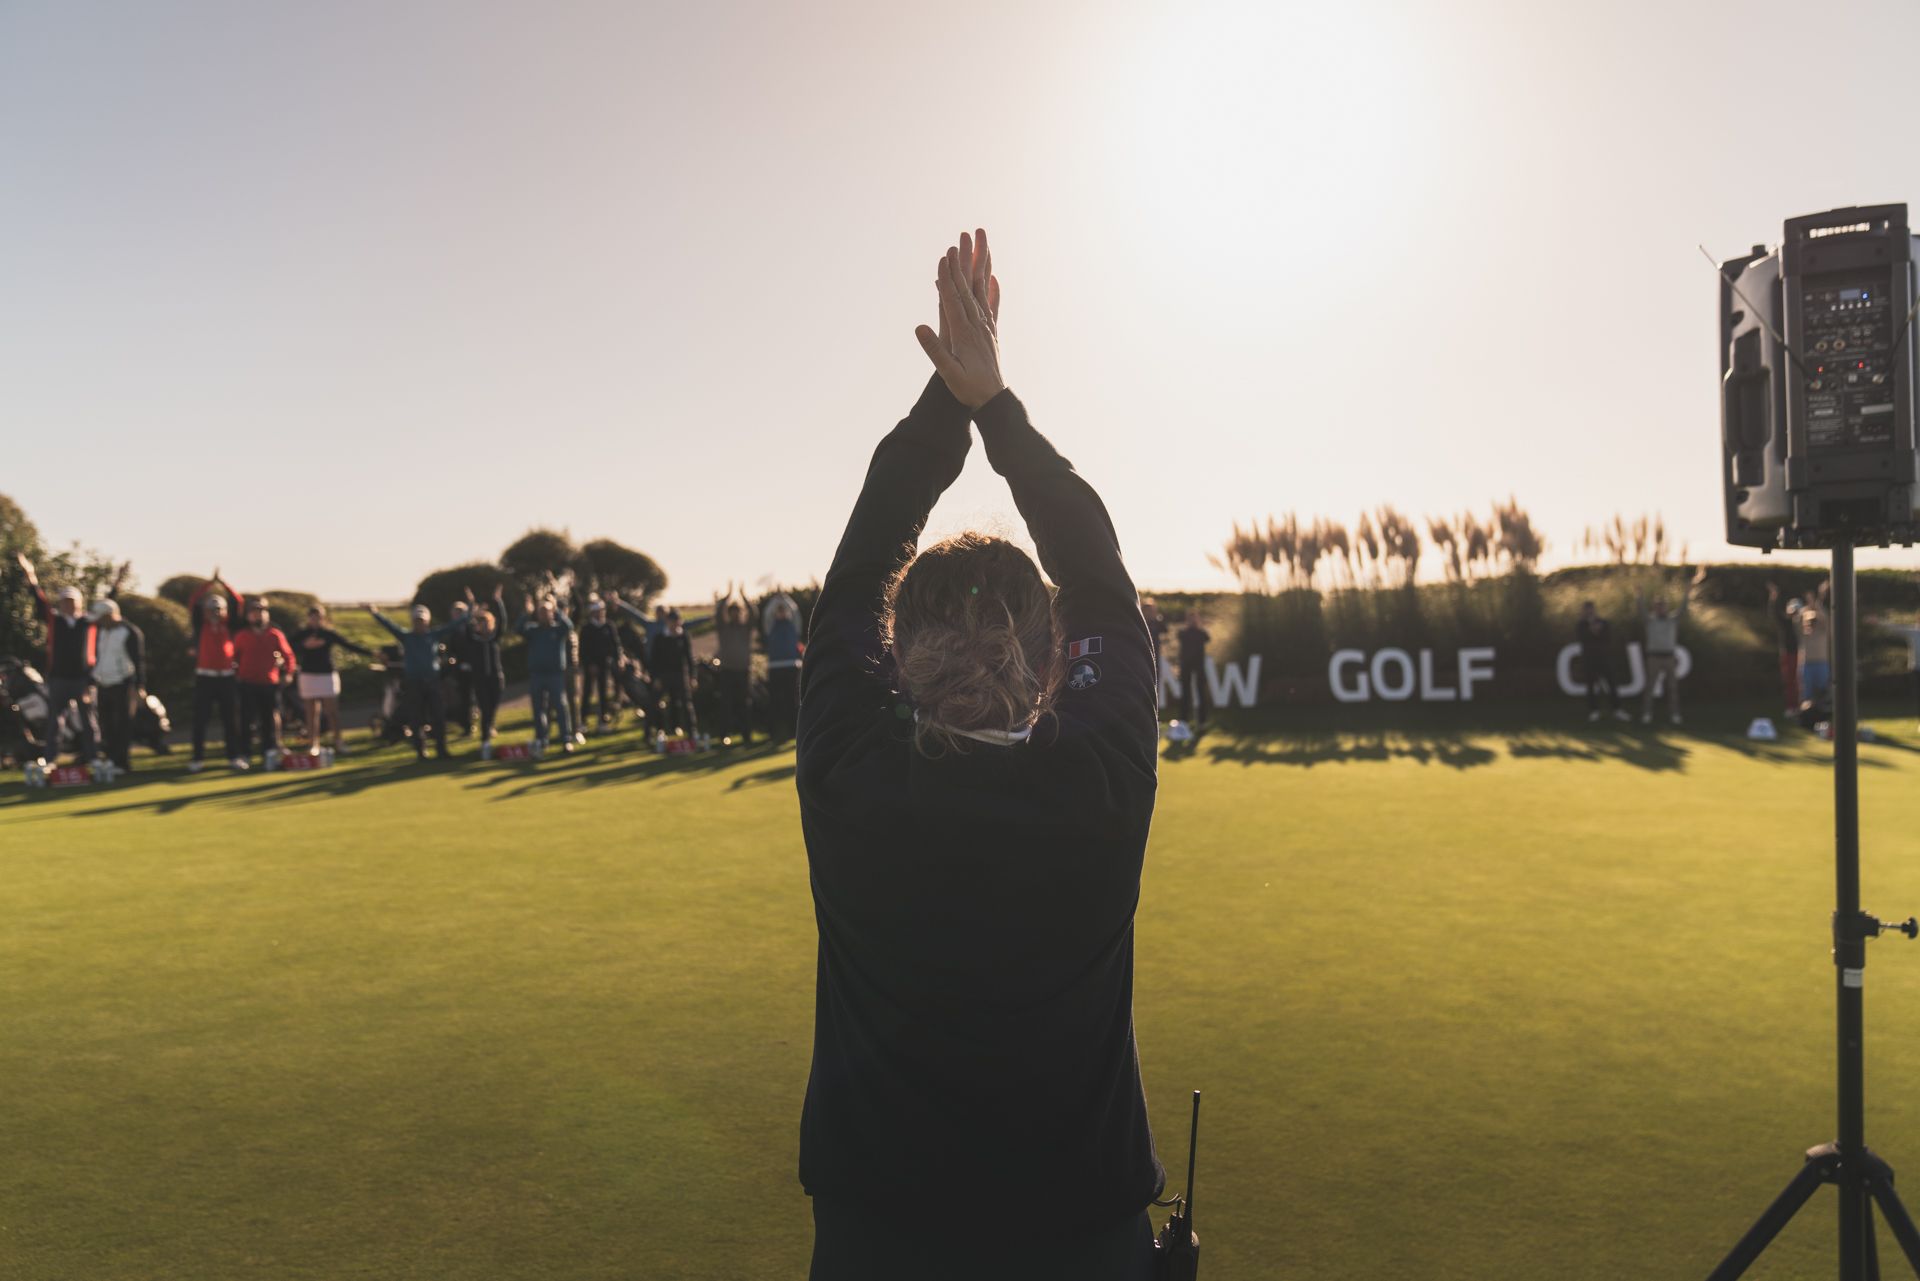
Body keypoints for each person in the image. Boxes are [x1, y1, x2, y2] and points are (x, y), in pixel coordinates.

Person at [795, 230, 1161, 1277]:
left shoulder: (852, 772)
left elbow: (859, 564)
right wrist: (993, 404)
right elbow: (1102, 579)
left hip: (879, 1236)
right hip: (1082, 1234)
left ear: (897, 655)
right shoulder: (1098, 783)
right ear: (1049, 662)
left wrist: (951, 406)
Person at [14, 552, 121, 766]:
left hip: (84, 679)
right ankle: (50, 758)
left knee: (89, 721)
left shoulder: (88, 622)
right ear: (61, 603)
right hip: (59, 679)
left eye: (72, 601)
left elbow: (108, 601)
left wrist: (118, 580)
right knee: (56, 721)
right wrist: (29, 573)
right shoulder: (54, 620)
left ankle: (93, 757)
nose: (68, 605)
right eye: (65, 601)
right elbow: (38, 598)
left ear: (79, 603)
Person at [366, 602, 462, 761]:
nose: (419, 623)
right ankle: (420, 751)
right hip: (414, 683)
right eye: (417, 620)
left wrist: (469, 612)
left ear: (427, 621)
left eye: (422, 620)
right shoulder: (406, 637)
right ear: (412, 621)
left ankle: (441, 749)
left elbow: (453, 625)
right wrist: (375, 612)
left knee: (438, 716)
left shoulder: (434, 635)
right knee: (416, 718)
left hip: (432, 682)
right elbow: (389, 625)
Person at [293, 605, 374, 756]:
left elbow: (348, 645)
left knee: (332, 711)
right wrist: (304, 645)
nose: (315, 620)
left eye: (318, 617)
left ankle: (338, 741)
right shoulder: (302, 634)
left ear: (323, 618)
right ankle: (313, 743)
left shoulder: (328, 634)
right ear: (308, 618)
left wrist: (372, 653)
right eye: (312, 617)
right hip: (308, 675)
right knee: (311, 712)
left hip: (326, 675)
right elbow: (288, 647)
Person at [186, 571, 246, 771]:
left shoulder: (230, 625)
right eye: (211, 609)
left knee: (230, 720)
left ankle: (234, 756)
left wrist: (224, 583)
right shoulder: (200, 625)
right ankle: (197, 758)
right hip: (205, 677)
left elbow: (238, 601)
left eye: (219, 609)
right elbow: (194, 602)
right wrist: (209, 584)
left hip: (227, 678)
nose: (215, 613)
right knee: (200, 720)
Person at [1637, 566, 1706, 725]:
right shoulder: (1650, 621)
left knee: (1672, 688)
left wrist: (1687, 593)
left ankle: (1675, 715)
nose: (1661, 608)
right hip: (1654, 658)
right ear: (1655, 608)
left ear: (1666, 607)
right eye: (1658, 606)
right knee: (1650, 687)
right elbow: (1641, 611)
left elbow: (1683, 609)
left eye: (1663, 606)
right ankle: (1647, 714)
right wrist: (1639, 596)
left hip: (1669, 658)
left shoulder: (1672, 620)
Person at [233, 598, 299, 764]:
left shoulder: (275, 634)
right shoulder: (242, 635)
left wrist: (288, 673)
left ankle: (268, 753)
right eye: (254, 612)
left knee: (269, 719)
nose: (258, 615)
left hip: (269, 683)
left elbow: (289, 656)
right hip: (247, 683)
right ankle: (245, 753)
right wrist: (235, 673)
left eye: (261, 612)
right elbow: (233, 657)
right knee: (246, 719)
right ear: (249, 616)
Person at [517, 592, 576, 753]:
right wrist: (526, 613)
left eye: (546, 612)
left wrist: (556, 608)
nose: (543, 615)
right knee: (538, 709)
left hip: (555, 675)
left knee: (560, 707)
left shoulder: (559, 629)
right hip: (537, 675)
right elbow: (518, 629)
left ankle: (566, 739)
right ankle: (542, 740)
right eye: (540, 612)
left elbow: (569, 625)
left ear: (552, 613)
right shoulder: (532, 630)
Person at [464, 586, 508, 747]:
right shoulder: (473, 640)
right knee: (485, 709)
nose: (483, 626)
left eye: (486, 623)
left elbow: (503, 622)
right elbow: (467, 626)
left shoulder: (494, 638)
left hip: (496, 679)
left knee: (493, 707)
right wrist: (471, 606)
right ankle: (485, 741)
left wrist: (498, 602)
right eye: (480, 623)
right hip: (480, 680)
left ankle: (489, 728)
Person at [713, 583, 756, 746]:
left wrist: (744, 596)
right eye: (732, 612)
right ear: (729, 614)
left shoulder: (746, 628)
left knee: (744, 704)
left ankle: (747, 736)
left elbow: (754, 614)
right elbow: (718, 613)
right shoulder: (723, 628)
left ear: (740, 613)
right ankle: (724, 736)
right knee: (726, 705)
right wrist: (727, 596)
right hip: (727, 671)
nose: (735, 614)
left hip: (743, 671)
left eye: (737, 612)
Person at [1574, 600, 1629, 722]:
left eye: (1591, 609)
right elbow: (1582, 638)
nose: (1589, 611)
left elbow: (1607, 638)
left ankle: (1617, 710)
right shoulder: (1581, 625)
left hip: (1604, 659)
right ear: (1583, 611)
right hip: (1589, 660)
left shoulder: (1604, 623)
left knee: (1611, 684)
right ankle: (1594, 711)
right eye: (1586, 609)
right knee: (1591, 686)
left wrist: (1596, 630)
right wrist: (1592, 629)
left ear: (1594, 609)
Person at [578, 597, 625, 733]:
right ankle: (583, 722)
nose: (601, 613)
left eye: (602, 610)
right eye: (598, 611)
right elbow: (583, 650)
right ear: (592, 613)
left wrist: (619, 659)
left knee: (603, 693)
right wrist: (590, 664)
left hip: (605, 664)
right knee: (587, 693)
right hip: (590, 667)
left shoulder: (609, 626)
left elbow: (616, 644)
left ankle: (603, 722)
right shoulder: (586, 628)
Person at [649, 608, 697, 737]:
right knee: (654, 704)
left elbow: (689, 658)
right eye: (672, 621)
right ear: (667, 622)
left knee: (686, 704)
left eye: (677, 621)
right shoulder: (660, 638)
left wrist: (692, 677)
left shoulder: (683, 636)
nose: (675, 624)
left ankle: (692, 732)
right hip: (663, 676)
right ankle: (649, 733)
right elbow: (654, 660)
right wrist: (655, 678)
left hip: (680, 675)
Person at [763, 591, 803, 743]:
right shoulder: (770, 626)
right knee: (775, 701)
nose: (781, 613)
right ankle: (774, 733)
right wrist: (776, 599)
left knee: (792, 700)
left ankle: (794, 732)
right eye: (779, 611)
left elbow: (795, 611)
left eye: (783, 610)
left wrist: (784, 598)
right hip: (775, 667)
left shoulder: (794, 625)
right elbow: (767, 613)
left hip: (791, 666)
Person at [1766, 581, 1802, 718]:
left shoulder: (1802, 622)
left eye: (1796, 611)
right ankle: (1792, 707)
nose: (1794, 613)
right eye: (1792, 610)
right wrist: (1774, 597)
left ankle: (1801, 707)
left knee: (1799, 682)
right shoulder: (1785, 622)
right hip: (1788, 654)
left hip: (1801, 655)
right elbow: (1775, 613)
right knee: (1790, 682)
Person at [1800, 580, 1834, 710]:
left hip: (1821, 664)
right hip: (1807, 665)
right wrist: (1809, 604)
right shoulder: (1803, 632)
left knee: (1823, 692)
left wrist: (1820, 598)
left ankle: (1823, 712)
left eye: (1813, 620)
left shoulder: (1823, 631)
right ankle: (1807, 713)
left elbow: (1824, 617)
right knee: (1807, 694)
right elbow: (1799, 616)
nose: (1811, 622)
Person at [1176, 609, 1211, 730]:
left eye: (1194, 618)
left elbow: (1207, 638)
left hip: (1199, 666)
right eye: (1190, 619)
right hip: (1186, 666)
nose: (1193, 621)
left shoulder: (1201, 633)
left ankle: (1202, 721)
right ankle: (1184, 720)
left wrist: (1199, 627)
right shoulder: (1183, 633)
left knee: (1201, 692)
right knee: (1185, 693)